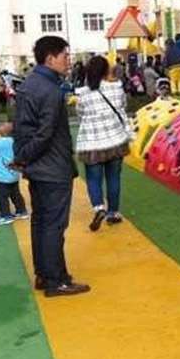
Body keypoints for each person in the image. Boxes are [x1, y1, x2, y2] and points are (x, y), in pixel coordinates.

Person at [14, 35, 90, 297]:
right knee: (53, 225)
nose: (68, 61)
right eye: (65, 56)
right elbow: (44, 134)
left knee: (41, 222)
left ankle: (44, 274)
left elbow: (23, 128)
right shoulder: (50, 90)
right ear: (50, 58)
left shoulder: (29, 85)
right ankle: (56, 280)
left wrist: (23, 157)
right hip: (52, 167)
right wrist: (23, 157)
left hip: (38, 167)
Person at [75, 55, 130, 231]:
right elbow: (123, 106)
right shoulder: (117, 87)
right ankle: (113, 213)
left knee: (93, 179)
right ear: (107, 71)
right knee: (113, 177)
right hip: (115, 141)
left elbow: (80, 113)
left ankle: (99, 208)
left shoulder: (83, 94)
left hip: (91, 144)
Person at [0, 122, 28, 225]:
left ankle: (6, 215)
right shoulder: (14, 141)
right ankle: (21, 211)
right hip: (14, 175)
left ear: (5, 132)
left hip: (3, 176)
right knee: (15, 194)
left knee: (1, 196)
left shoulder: (2, 143)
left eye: (1, 126)